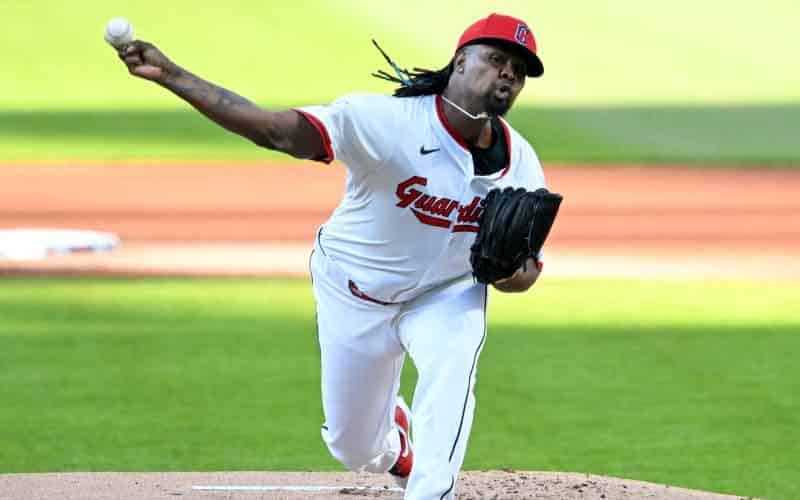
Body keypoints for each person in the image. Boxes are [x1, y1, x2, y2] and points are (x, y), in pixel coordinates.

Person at [116, 12, 549, 500]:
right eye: (496, 59)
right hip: (354, 291)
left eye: (518, 68)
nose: (508, 73)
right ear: (460, 62)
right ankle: (394, 444)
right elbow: (274, 130)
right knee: (354, 447)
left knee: (453, 369)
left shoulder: (523, 165)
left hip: (445, 296)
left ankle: (432, 492)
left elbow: (527, 270)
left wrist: (514, 272)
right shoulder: (386, 124)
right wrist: (174, 76)